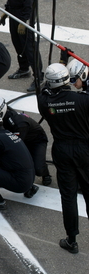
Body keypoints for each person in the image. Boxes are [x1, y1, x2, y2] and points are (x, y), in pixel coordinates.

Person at [37, 63, 89, 254]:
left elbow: (43, 89)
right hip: (84, 149)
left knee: (68, 196)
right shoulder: (82, 99)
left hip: (62, 149)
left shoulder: (44, 102)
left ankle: (72, 240)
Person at [0, 96, 52, 189]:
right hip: (20, 138)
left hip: (36, 141)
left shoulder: (18, 124)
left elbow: (15, 146)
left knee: (37, 168)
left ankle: (45, 173)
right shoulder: (4, 118)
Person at [0, 0, 43, 92]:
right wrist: (6, 11)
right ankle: (24, 69)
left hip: (23, 15)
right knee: (17, 43)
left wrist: (24, 21)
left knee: (29, 47)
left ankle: (39, 77)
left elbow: (29, 0)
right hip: (14, 12)